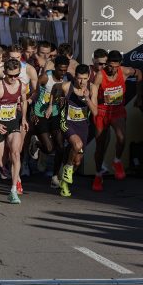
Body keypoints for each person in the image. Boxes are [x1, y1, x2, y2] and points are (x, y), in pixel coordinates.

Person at [89, 50, 142, 191]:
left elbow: (139, 74)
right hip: (102, 111)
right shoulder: (100, 75)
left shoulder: (124, 71)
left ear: (120, 65)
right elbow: (94, 94)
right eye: (111, 66)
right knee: (100, 147)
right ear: (107, 64)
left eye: (116, 67)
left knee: (121, 138)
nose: (113, 69)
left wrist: (139, 96)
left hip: (117, 111)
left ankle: (117, 161)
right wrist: (95, 112)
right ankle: (98, 174)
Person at [0, 58, 29, 204]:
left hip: (13, 121)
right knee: (1, 163)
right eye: (10, 76)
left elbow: (24, 101)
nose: (13, 78)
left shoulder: (21, 85)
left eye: (16, 75)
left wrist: (24, 118)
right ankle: (3, 167)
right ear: (4, 73)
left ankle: (13, 189)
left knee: (15, 153)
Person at [51, 64, 97, 197]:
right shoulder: (66, 86)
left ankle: (64, 183)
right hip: (67, 123)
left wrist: (87, 99)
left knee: (77, 161)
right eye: (79, 78)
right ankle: (68, 168)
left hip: (83, 126)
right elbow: (55, 88)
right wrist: (52, 104)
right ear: (75, 77)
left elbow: (95, 112)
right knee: (77, 145)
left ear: (89, 77)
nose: (82, 82)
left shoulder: (92, 88)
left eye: (85, 78)